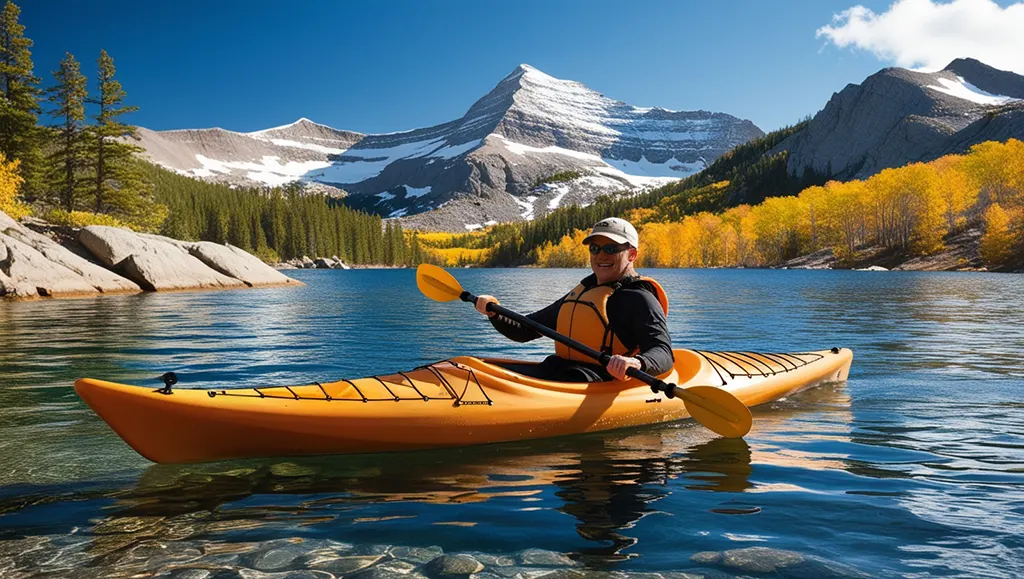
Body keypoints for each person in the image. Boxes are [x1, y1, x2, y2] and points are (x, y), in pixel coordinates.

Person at [475, 217, 673, 383]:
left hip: (596, 380)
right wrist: (494, 311)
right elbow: (524, 330)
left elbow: (663, 352)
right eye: (595, 248)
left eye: (611, 249)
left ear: (632, 254)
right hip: (560, 370)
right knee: (469, 368)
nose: (601, 255)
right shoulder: (583, 291)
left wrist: (636, 363)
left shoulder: (639, 298)